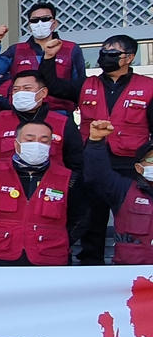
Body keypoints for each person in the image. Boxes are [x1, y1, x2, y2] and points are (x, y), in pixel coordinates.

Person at [39, 34, 153, 265]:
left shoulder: (148, 86)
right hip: (93, 161)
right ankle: (92, 264)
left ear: (129, 58)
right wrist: (49, 57)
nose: (105, 57)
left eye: (113, 53)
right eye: (103, 52)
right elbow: (54, 86)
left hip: (132, 163)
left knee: (136, 215)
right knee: (92, 217)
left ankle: (134, 263)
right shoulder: (86, 83)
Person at [0, 118, 82, 266]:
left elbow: (81, 218)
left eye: (44, 141)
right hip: (1, 259)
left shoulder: (69, 178)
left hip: (51, 260)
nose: (37, 145)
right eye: (29, 139)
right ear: (16, 144)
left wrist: (58, 239)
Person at [0, 3, 84, 115]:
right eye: (35, 20)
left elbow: (79, 85)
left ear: (54, 24)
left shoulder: (71, 49)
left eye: (45, 19)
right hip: (23, 112)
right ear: (29, 27)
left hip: (59, 112)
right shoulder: (17, 50)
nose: (40, 23)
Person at [84, 121, 153, 264]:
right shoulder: (124, 189)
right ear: (139, 168)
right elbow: (97, 176)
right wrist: (96, 142)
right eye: (152, 159)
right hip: (129, 277)